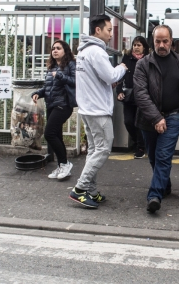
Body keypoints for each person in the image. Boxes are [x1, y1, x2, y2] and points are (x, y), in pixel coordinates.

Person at [69, 15, 127, 208]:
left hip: (87, 108)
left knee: (94, 150)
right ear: (98, 30)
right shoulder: (97, 52)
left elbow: (99, 79)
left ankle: (91, 191)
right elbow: (111, 76)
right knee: (103, 149)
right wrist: (121, 68)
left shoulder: (84, 52)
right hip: (98, 110)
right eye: (109, 30)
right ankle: (80, 189)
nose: (111, 34)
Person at [134, 25, 179, 213]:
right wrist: (156, 117)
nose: (161, 45)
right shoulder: (143, 64)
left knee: (163, 156)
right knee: (153, 156)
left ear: (171, 41)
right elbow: (141, 94)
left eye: (165, 41)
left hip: (175, 115)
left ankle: (155, 195)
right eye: (158, 41)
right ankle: (164, 185)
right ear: (153, 41)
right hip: (148, 119)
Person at [32, 39, 77, 180]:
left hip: (63, 105)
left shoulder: (70, 64)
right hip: (51, 104)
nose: (55, 50)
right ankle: (62, 166)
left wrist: (60, 75)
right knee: (57, 136)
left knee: (49, 133)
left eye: (58, 48)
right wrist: (38, 93)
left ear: (65, 51)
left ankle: (65, 163)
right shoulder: (51, 67)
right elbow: (48, 87)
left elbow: (76, 81)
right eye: (53, 49)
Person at [116, 36, 150, 159]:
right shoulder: (127, 58)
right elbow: (120, 75)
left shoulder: (148, 60)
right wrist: (119, 91)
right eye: (134, 45)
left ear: (144, 47)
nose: (136, 47)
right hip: (129, 96)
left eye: (139, 45)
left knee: (140, 123)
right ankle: (138, 142)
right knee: (129, 122)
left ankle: (140, 147)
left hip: (143, 96)